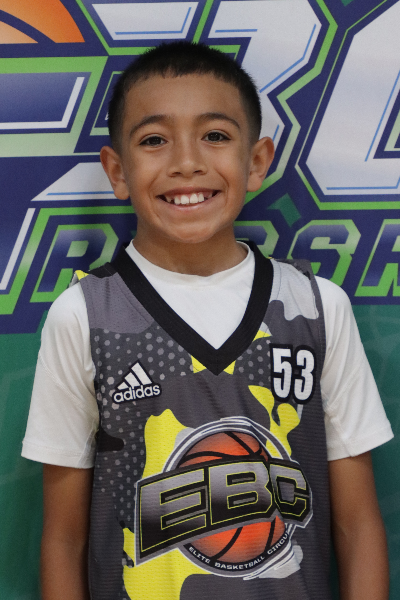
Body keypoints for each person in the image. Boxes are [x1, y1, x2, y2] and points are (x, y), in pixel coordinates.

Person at [22, 42, 393, 600]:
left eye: (215, 135)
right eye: (154, 140)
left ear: (257, 161)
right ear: (117, 171)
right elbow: (63, 539)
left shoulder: (318, 307)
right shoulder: (84, 316)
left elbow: (358, 526)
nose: (187, 162)